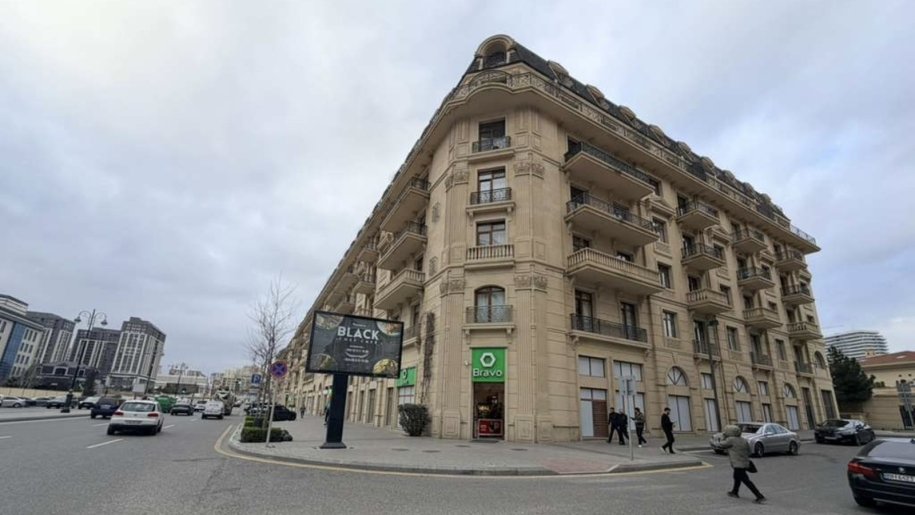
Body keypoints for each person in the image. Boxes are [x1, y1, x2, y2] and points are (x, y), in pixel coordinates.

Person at [719, 424, 767, 504]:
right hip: (745, 462)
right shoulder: (743, 440)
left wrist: (723, 436)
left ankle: (759, 496)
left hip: (738, 464)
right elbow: (749, 452)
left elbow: (721, 444)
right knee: (736, 477)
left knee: (746, 480)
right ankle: (735, 492)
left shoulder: (731, 439)